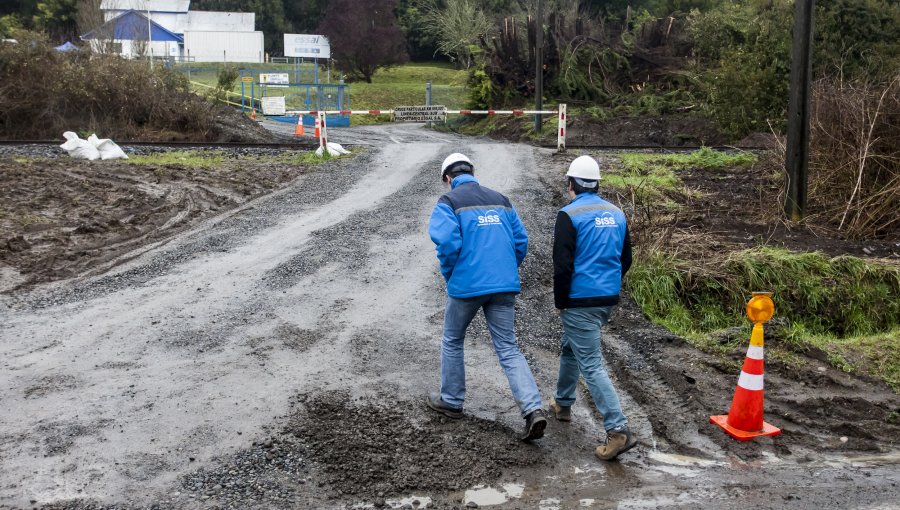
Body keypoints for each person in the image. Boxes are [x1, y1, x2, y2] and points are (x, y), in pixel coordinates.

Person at [426, 152, 547, 441]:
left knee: (453, 340)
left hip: (467, 286)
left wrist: (450, 273)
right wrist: (505, 271)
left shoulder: (448, 203)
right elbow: (521, 241)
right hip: (504, 286)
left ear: (448, 178)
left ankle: (452, 401)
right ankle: (533, 410)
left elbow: (446, 244)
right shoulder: (502, 200)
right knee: (508, 347)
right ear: (471, 171)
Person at [549, 155, 637, 460]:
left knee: (592, 364)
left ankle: (618, 430)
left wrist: (562, 302)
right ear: (597, 183)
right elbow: (626, 259)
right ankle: (563, 402)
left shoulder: (569, 215)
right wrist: (607, 284)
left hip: (578, 300)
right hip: (605, 298)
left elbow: (562, 266)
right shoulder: (616, 213)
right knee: (570, 348)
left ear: (571, 183)